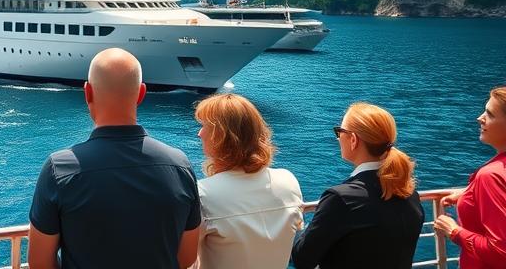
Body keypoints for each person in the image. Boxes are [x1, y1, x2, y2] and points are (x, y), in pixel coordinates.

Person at [27, 48, 202, 269]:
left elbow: (40, 264)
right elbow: (186, 258)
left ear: (87, 93)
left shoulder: (59, 169)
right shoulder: (180, 165)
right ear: (141, 94)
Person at [291, 102, 424, 269]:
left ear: (353, 140)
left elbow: (302, 259)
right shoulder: (410, 195)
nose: (338, 137)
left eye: (339, 132)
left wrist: (294, 221)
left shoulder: (341, 199)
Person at [193, 93, 303, 269]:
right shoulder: (288, 181)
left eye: (205, 126)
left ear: (221, 136)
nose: (200, 133)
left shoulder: (203, 193)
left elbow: (184, 256)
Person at [434, 86, 506, 267]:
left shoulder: (491, 176)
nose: (480, 118)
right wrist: (471, 194)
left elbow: (500, 252)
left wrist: (454, 231)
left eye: (489, 114)